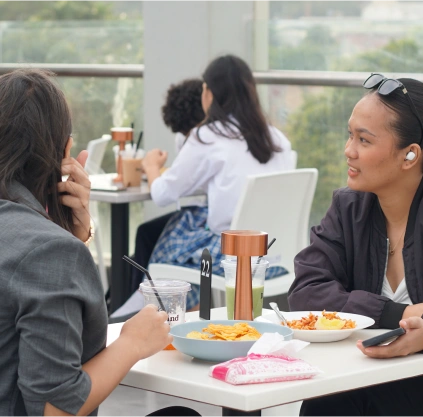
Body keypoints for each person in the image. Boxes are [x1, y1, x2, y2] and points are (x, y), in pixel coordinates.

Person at [0, 68, 202, 417]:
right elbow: (54, 409)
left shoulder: (48, 245)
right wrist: (132, 343)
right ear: (65, 151)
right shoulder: (51, 252)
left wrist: (71, 234)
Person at [288, 73, 423, 417]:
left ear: (409, 155)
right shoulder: (349, 208)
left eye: (364, 140)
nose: (348, 151)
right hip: (361, 377)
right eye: (350, 135)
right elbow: (306, 292)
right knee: (331, 401)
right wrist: (397, 315)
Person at [137, 54, 294, 312]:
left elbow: (164, 194)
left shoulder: (208, 136)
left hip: (231, 256)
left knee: (179, 230)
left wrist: (152, 167)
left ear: (208, 93)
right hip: (275, 255)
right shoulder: (276, 138)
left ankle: (164, 315)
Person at [130, 78, 206, 293]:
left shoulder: (204, 140)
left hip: (214, 230)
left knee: (146, 233)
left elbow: (163, 195)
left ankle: (137, 301)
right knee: (147, 233)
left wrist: (151, 166)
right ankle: (132, 299)